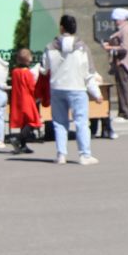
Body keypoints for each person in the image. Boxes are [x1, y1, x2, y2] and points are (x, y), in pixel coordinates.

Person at [42, 14, 98, 165]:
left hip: (57, 88)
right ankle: (84, 155)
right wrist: (96, 93)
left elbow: (44, 68)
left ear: (61, 28)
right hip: (77, 88)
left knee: (59, 123)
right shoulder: (82, 48)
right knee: (81, 121)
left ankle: (61, 155)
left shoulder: (49, 47)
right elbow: (89, 73)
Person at [103, 6, 128, 128]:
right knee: (121, 87)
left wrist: (109, 48)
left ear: (122, 19)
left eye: (116, 19)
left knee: (124, 88)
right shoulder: (122, 29)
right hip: (120, 61)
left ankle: (127, 114)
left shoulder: (125, 29)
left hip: (123, 62)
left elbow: (125, 48)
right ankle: (123, 113)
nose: (115, 21)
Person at [7, 47, 42, 154]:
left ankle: (23, 145)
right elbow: (32, 87)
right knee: (34, 121)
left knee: (24, 123)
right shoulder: (27, 73)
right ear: (29, 60)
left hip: (17, 100)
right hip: (27, 100)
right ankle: (18, 139)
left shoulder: (15, 72)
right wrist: (37, 96)